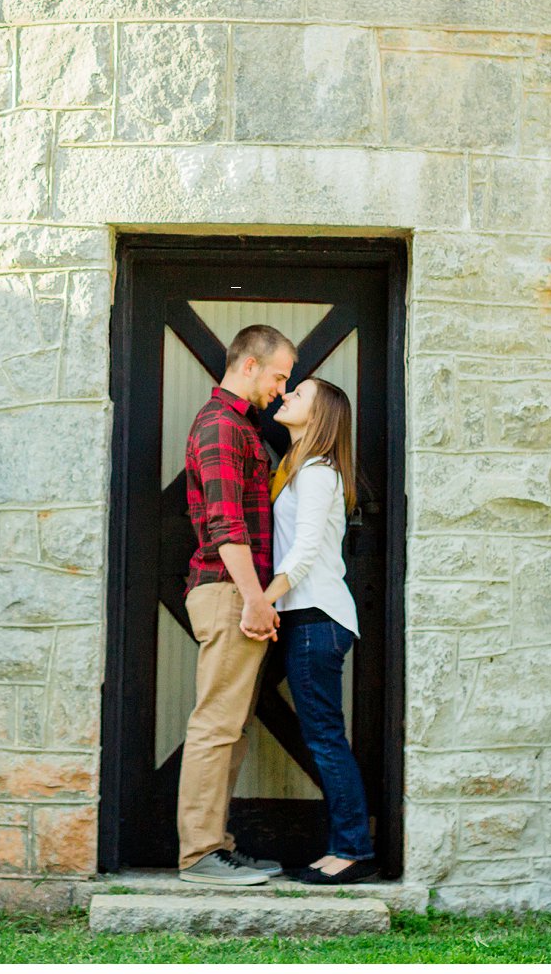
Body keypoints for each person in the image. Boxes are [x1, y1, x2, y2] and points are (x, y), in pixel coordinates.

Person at [176, 323, 298, 886]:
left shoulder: (238, 426)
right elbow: (227, 525)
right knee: (216, 726)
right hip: (228, 591)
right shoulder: (221, 425)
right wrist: (253, 598)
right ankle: (199, 854)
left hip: (235, 592)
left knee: (232, 728)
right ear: (248, 364)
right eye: (278, 375)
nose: (281, 388)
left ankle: (216, 846)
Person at [259, 377, 377, 885]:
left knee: (326, 739)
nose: (286, 397)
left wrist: (259, 602)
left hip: (315, 618)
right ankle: (345, 845)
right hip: (306, 618)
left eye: (298, 394)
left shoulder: (318, 472)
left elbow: (304, 552)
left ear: (321, 415)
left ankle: (352, 851)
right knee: (323, 736)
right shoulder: (297, 468)